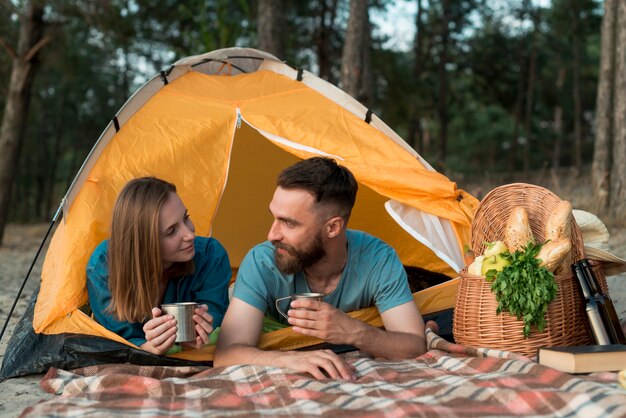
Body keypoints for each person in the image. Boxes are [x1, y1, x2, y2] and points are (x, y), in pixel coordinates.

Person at [214, 157, 426, 379]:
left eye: (289, 223)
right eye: (274, 217)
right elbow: (226, 354)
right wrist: (289, 359)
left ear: (333, 227)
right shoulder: (262, 261)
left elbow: (414, 345)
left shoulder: (378, 259)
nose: (272, 235)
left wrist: (351, 331)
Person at [86, 177, 231, 355]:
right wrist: (148, 348)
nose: (190, 234)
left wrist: (200, 332)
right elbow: (120, 339)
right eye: (171, 231)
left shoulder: (210, 255)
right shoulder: (103, 267)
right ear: (143, 243)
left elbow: (215, 311)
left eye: (186, 218)